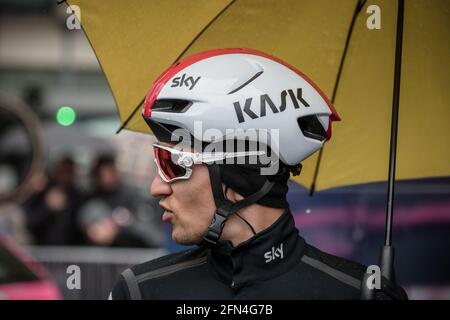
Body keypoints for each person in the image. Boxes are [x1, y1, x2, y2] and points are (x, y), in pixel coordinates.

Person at [110, 48, 407, 299]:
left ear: (241, 177)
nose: (156, 188)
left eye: (171, 164)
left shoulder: (359, 293)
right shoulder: (140, 291)